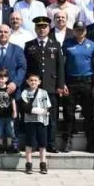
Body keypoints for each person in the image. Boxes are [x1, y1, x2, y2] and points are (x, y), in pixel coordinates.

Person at [25, 15, 66, 150]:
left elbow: (60, 66)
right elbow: (26, 67)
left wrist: (60, 85)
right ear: (35, 29)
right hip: (34, 88)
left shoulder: (55, 45)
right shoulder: (29, 45)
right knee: (35, 117)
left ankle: (51, 144)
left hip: (51, 86)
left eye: (44, 27)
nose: (42, 29)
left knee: (52, 117)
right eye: (39, 27)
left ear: (49, 28)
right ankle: (36, 144)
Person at [62, 21, 94, 152]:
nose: (80, 32)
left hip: (87, 82)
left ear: (85, 31)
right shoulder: (67, 44)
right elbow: (63, 65)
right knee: (68, 112)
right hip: (71, 81)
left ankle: (91, 143)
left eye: (82, 30)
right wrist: (63, 83)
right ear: (73, 31)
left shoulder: (93, 45)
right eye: (77, 29)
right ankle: (67, 141)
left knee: (89, 114)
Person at [18, 72, 52, 175]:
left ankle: (43, 164)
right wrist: (39, 111)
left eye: (35, 80)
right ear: (27, 82)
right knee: (29, 143)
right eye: (31, 80)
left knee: (42, 144)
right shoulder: (25, 92)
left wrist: (43, 112)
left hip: (41, 121)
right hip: (29, 121)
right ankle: (28, 164)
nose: (33, 82)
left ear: (39, 82)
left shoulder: (44, 92)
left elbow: (47, 107)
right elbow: (24, 106)